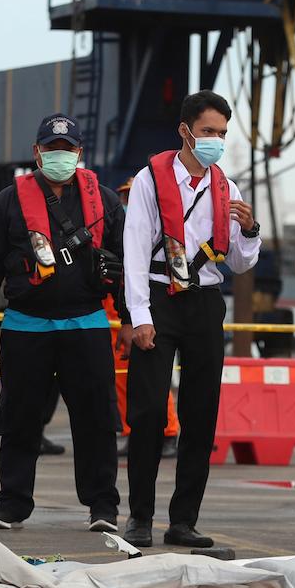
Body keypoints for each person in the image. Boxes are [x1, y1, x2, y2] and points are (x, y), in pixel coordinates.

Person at [0, 114, 125, 531]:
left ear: (80, 153)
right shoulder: (7, 201)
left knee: (96, 418)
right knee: (19, 418)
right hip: (26, 324)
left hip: (87, 323)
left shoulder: (106, 200)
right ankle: (12, 503)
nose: (60, 156)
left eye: (67, 149)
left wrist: (128, 317)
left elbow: (124, 262)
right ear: (37, 152)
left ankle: (102, 507)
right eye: (52, 149)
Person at [121, 90, 260, 549]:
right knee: (146, 412)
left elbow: (238, 264)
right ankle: (139, 516)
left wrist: (250, 231)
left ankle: (183, 520)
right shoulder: (149, 180)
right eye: (207, 132)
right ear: (185, 131)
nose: (215, 141)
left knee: (200, 414)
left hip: (204, 301)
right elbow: (136, 249)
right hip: (160, 297)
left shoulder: (228, 187)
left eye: (221, 133)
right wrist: (138, 315)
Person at [113, 178, 180, 460]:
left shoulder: (149, 231)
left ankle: (169, 431)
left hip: (134, 310)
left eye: (132, 197)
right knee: (121, 379)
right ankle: (130, 431)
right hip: (114, 312)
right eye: (125, 198)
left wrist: (130, 317)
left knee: (154, 375)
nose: (128, 203)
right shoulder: (120, 229)